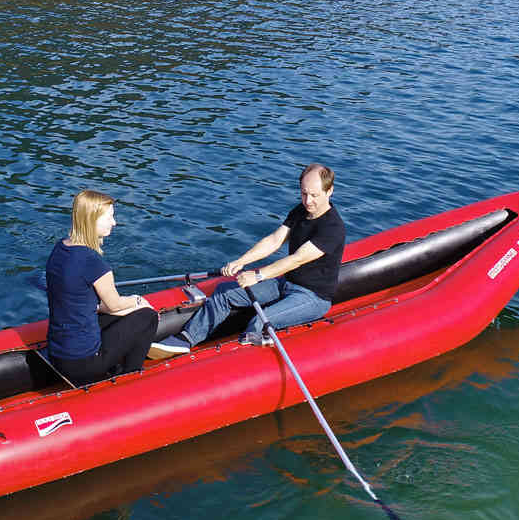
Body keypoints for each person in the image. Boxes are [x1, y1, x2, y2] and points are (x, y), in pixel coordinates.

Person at [148, 164, 347, 358]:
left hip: (313, 297)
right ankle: (186, 339)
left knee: (261, 320)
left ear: (329, 191)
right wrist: (241, 261)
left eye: (314, 195)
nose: (308, 201)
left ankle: (235, 360)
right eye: (304, 193)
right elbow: (274, 240)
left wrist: (258, 275)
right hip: (287, 283)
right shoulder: (300, 211)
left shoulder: (333, 228)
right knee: (224, 292)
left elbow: (297, 259)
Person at [45, 190, 159, 385]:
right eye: (109, 217)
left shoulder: (60, 248)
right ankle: (131, 376)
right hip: (83, 361)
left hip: (57, 351)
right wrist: (138, 301)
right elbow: (114, 305)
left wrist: (130, 307)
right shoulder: (93, 262)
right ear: (92, 220)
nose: (114, 222)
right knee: (148, 316)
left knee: (130, 313)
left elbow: (89, 304)